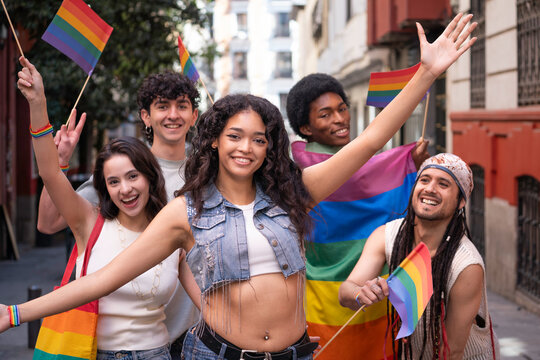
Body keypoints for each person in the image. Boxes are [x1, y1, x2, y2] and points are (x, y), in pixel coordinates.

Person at [1, 13, 477, 360]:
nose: (246, 147)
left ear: (270, 146)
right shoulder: (184, 212)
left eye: (259, 138)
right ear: (211, 142)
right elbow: (103, 279)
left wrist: (428, 72)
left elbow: (373, 138)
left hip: (294, 354)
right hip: (215, 353)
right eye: (234, 136)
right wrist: (17, 313)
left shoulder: (296, 193)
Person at [35, 71, 201, 357]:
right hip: (115, 341)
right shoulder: (122, 168)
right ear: (146, 117)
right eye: (162, 106)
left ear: (194, 115)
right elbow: (49, 223)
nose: (173, 115)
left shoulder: (209, 177)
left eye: (182, 106)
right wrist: (60, 160)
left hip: (189, 338)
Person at [287, 73, 429, 359]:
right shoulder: (297, 174)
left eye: (342, 108)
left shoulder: (373, 164)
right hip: (322, 299)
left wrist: (407, 165)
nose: (340, 119)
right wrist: (404, 165)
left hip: (374, 292)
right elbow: (370, 159)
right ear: (306, 127)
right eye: (325, 114)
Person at [339, 153, 499, 359]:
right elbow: (345, 292)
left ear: (460, 202)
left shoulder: (467, 265)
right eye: (424, 180)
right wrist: (361, 293)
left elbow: (451, 351)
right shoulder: (386, 235)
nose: (430, 189)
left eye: (443, 184)